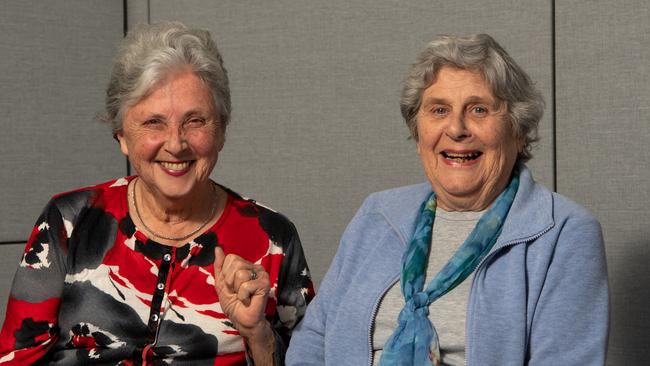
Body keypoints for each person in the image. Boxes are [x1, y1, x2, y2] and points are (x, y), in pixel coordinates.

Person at [0, 22, 314, 365]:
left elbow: (314, 356)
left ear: (221, 130)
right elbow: (17, 358)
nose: (176, 144)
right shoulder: (70, 221)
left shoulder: (272, 238)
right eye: (154, 123)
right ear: (121, 134)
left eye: (195, 121)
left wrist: (257, 334)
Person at [286, 34, 609, 366]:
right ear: (418, 130)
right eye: (439, 110)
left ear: (517, 128)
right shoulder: (378, 214)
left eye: (478, 109)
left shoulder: (563, 232)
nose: (456, 128)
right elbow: (314, 340)